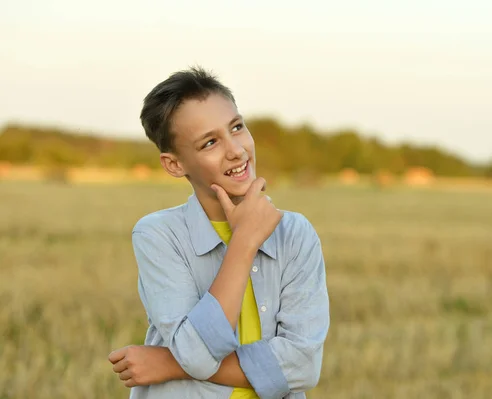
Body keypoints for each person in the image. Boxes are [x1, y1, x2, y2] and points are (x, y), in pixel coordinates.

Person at [107, 66, 330, 399]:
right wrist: (243, 242)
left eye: (236, 127)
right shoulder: (158, 235)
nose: (236, 150)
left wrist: (170, 363)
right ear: (174, 164)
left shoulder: (295, 234)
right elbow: (196, 354)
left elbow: (303, 366)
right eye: (210, 142)